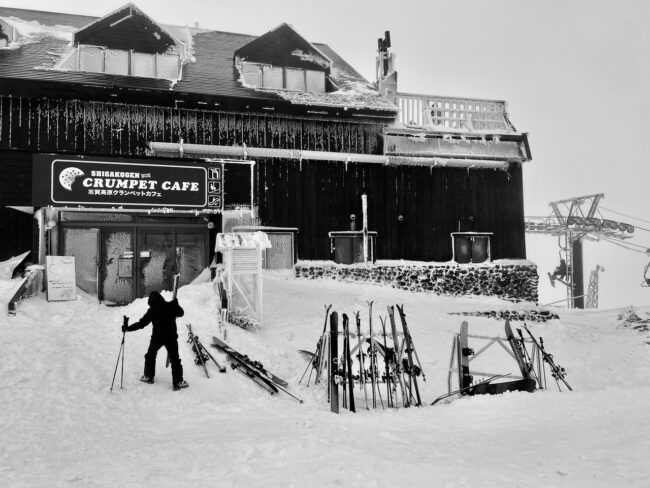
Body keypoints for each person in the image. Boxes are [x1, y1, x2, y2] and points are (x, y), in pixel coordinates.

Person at [123, 291, 188, 390]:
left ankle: (149, 377)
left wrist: (128, 328)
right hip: (171, 338)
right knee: (175, 359)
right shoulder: (171, 305)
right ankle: (178, 382)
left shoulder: (152, 310)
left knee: (150, 355)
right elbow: (181, 313)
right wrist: (176, 304)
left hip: (157, 338)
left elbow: (142, 324)